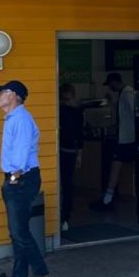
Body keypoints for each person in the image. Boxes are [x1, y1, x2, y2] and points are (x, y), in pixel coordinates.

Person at [0, 80, 52, 277]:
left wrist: (13, 178)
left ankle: (41, 274)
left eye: (2, 92)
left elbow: (21, 152)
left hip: (21, 179)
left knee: (19, 232)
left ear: (13, 96)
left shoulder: (21, 119)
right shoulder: (13, 118)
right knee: (17, 232)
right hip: (18, 178)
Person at [92, 72, 135, 211]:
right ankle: (109, 197)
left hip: (127, 138)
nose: (110, 87)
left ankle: (108, 197)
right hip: (126, 136)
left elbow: (134, 111)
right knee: (116, 165)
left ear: (114, 82)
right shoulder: (124, 93)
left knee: (116, 164)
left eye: (110, 84)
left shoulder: (127, 93)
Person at [58, 83, 85, 231]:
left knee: (63, 185)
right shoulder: (77, 112)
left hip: (62, 150)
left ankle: (63, 217)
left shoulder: (60, 111)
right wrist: (80, 154)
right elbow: (80, 135)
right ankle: (65, 217)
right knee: (67, 185)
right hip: (70, 151)